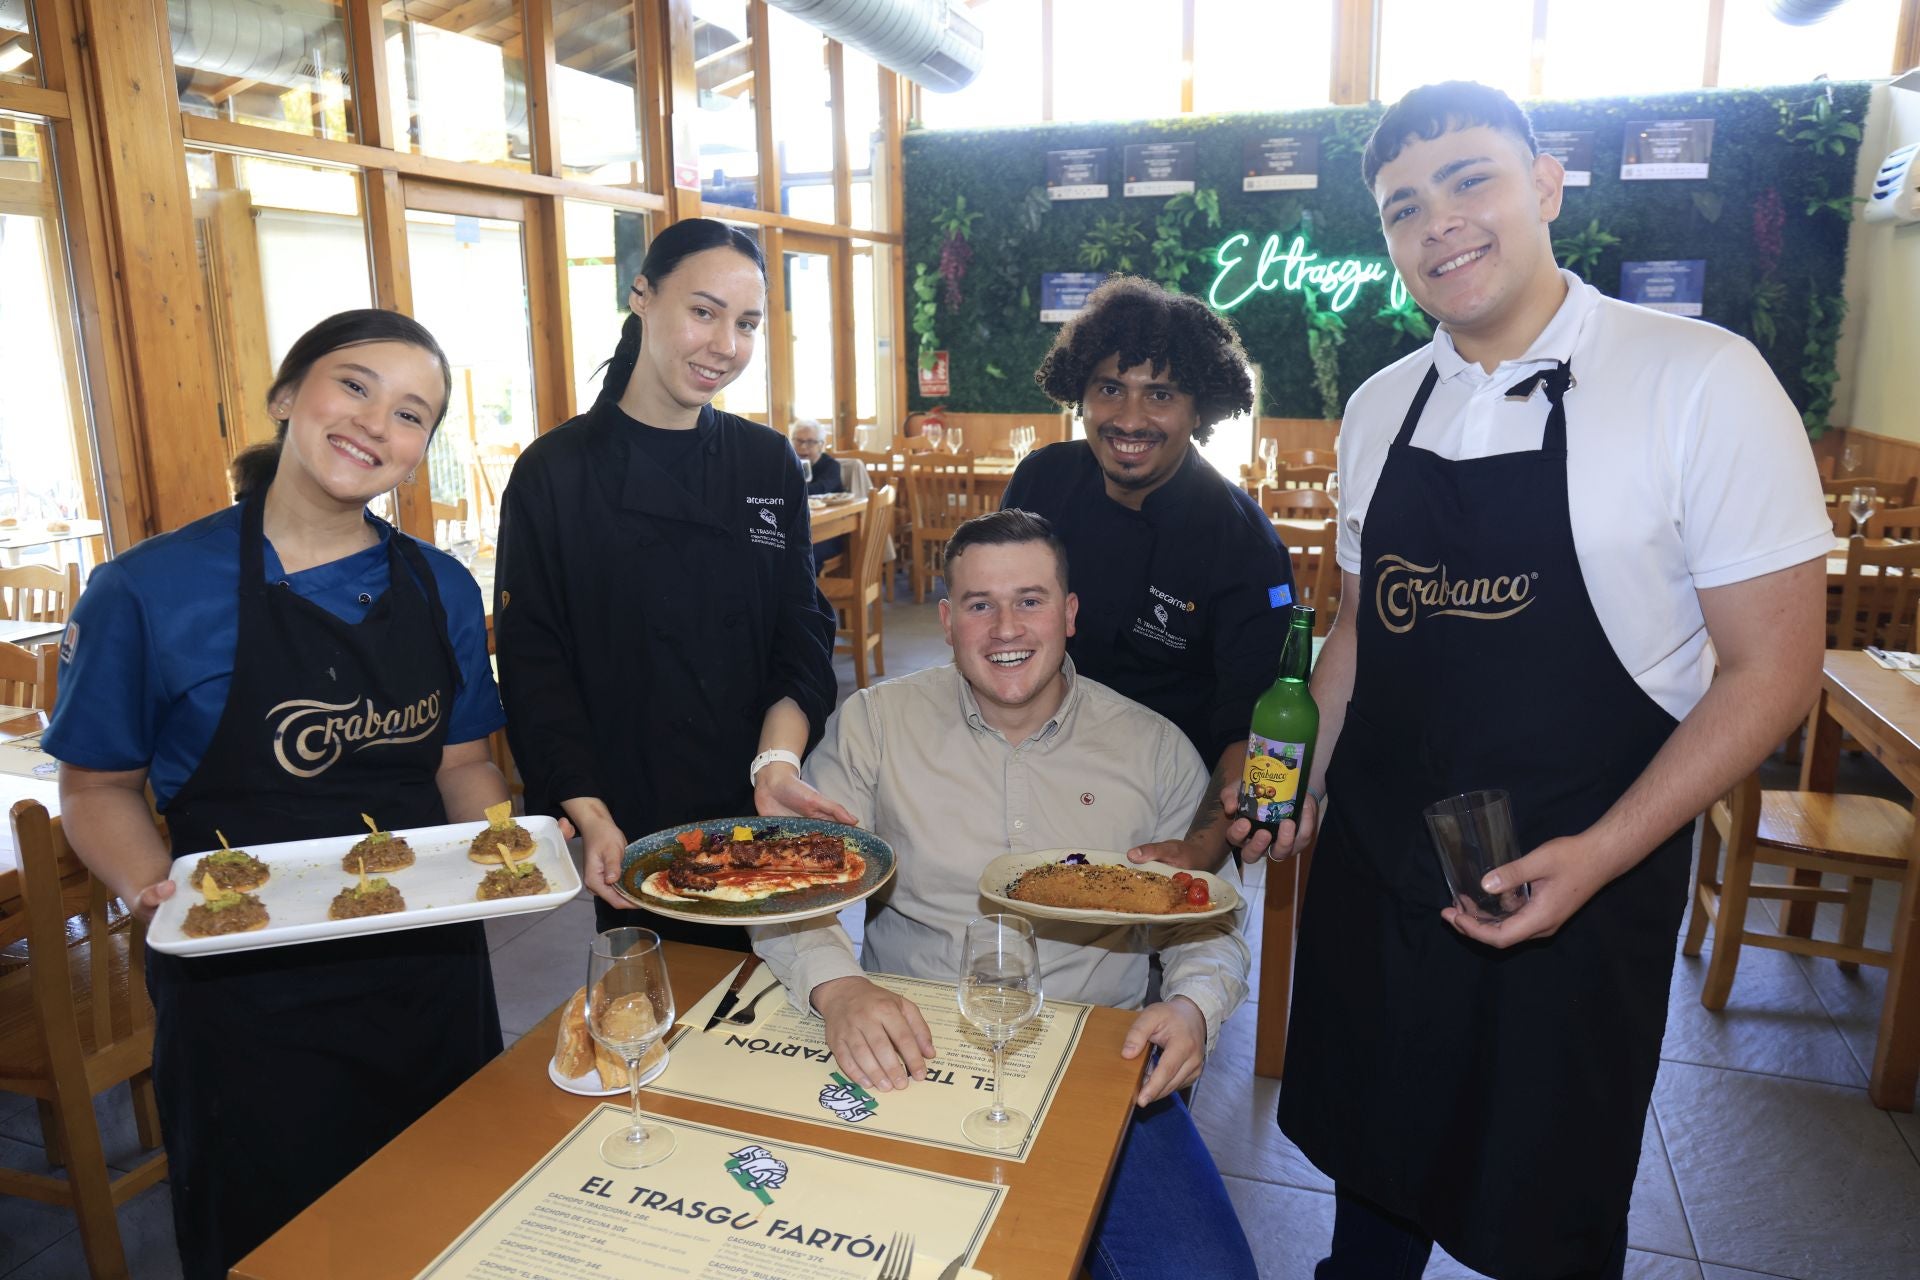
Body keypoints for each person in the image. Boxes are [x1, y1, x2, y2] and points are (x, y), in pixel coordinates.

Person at [1233, 82, 1829, 1280]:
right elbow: (1357, 633)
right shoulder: (1378, 405)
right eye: (1405, 206)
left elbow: (1776, 671)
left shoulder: (1698, 379)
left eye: (1471, 181)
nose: (1438, 223)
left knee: (1550, 1207)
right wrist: (1296, 777)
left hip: (1586, 873)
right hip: (1384, 868)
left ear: (1546, 186)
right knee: (1373, 1181)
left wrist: (1603, 853)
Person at [45, 310, 514, 1279]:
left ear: (421, 449)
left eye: (411, 412)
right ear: (288, 395)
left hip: (428, 969)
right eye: (354, 385)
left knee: (448, 1220)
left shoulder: (439, 586)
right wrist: (152, 888)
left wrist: (512, 844)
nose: (375, 421)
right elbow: (96, 785)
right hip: (244, 990)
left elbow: (464, 763)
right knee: (279, 1247)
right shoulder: (147, 589)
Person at [748, 509, 1258, 1280]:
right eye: (980, 604)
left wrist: (1193, 1007)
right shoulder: (874, 727)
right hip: (908, 1049)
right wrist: (840, 987)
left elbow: (1206, 917)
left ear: (1071, 614)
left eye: (1031, 599)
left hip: (1098, 1063)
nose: (1005, 627)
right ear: (948, 620)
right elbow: (788, 882)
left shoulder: (1154, 749)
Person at [493, 218, 851, 951]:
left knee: (776, 1013)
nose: (725, 344)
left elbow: (801, 625)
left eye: (746, 323)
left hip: (757, 794)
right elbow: (535, 665)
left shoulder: (764, 461)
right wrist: (590, 814)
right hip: (630, 818)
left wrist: (778, 763)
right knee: (664, 1019)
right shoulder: (554, 474)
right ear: (642, 297)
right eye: (703, 311)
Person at [1002, 277, 1294, 873]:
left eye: (1160, 395)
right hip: (1022, 767)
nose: (1129, 419)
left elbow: (1255, 726)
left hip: (1162, 804)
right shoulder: (1042, 480)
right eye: (1110, 388)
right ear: (1080, 394)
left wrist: (1201, 848)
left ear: (1198, 409)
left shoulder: (1242, 544)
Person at [790, 417, 848, 563]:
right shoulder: (788, 464)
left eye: (810, 442)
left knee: (802, 556)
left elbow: (821, 488)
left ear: (821, 445)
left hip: (828, 531)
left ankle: (807, 586)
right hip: (797, 529)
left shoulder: (831, 466)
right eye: (799, 441)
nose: (803, 447)